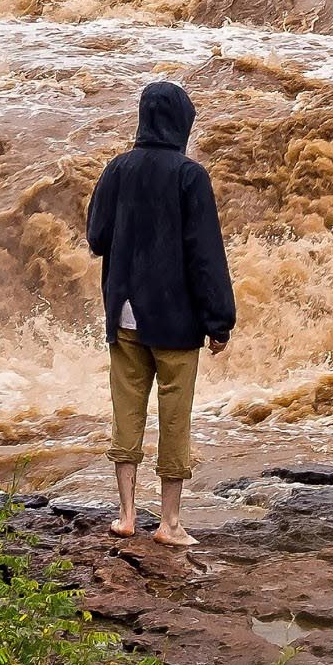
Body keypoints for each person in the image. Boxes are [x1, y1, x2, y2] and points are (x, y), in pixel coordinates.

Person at [86, 81, 236, 548]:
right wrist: (219, 320)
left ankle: (126, 514)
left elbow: (96, 237)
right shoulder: (190, 175)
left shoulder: (117, 169)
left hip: (125, 311)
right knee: (175, 417)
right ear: (181, 122)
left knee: (126, 410)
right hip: (175, 318)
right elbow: (204, 253)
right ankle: (169, 522)